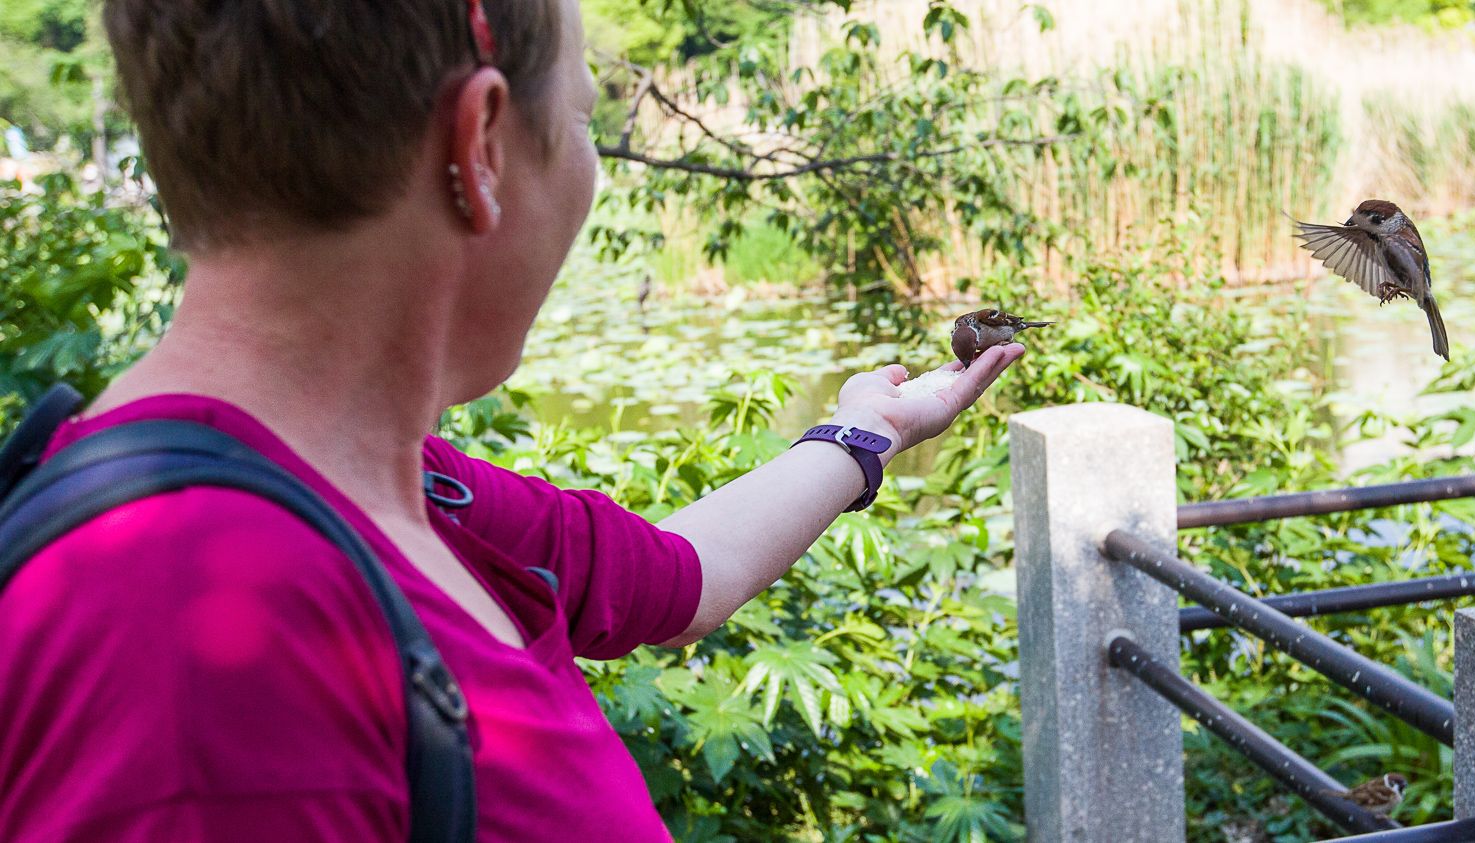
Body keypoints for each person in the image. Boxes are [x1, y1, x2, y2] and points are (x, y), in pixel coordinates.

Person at [0, 1, 1023, 840]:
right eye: (580, 120)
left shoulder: (391, 485)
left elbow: (681, 577)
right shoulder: (204, 620)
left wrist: (866, 431)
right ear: (480, 143)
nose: (587, 165)